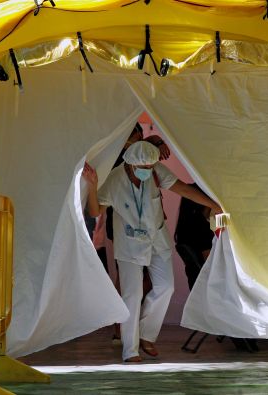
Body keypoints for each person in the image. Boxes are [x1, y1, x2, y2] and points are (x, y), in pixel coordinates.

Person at [83, 141, 221, 362]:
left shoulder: (155, 171)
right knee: (132, 294)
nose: (147, 171)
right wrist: (92, 185)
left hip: (157, 239)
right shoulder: (115, 179)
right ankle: (131, 350)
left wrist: (214, 205)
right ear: (129, 164)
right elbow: (94, 210)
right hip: (129, 244)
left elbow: (183, 188)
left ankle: (147, 334)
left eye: (150, 167)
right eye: (143, 168)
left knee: (166, 287)